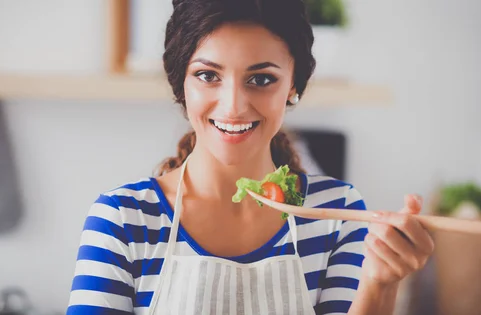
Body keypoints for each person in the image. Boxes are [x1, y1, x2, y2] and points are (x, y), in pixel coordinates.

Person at [66, 0, 435, 314]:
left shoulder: (337, 213)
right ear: (181, 82)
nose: (233, 106)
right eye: (208, 75)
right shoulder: (123, 219)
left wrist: (381, 284)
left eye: (260, 80)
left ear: (293, 84)